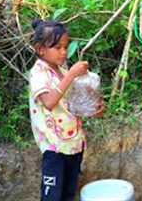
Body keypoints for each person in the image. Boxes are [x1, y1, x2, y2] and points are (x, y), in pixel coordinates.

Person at [28, 19, 104, 201]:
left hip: (74, 143)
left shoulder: (62, 69)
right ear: (40, 49)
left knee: (68, 193)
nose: (64, 52)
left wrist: (94, 108)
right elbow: (49, 102)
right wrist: (71, 75)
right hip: (54, 147)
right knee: (52, 196)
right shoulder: (38, 73)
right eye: (58, 48)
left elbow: (72, 104)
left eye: (66, 47)